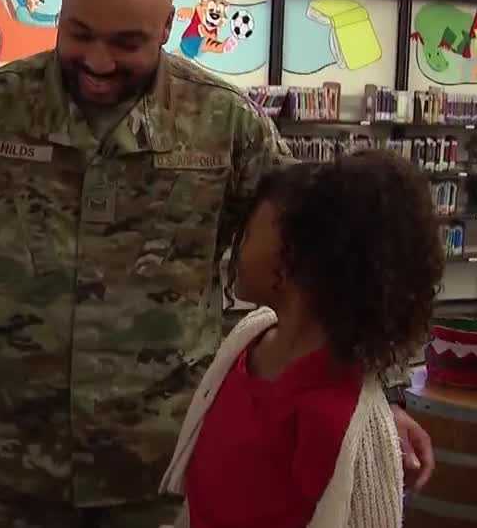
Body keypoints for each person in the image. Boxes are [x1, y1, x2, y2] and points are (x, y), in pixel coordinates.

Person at [0, 0, 434, 526]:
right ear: (60, 13)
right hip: (8, 467)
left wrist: (373, 398)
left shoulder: (224, 125)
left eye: (126, 42)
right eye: (80, 34)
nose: (99, 62)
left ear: (166, 26)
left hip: (159, 469)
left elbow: (329, 260)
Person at [161, 150, 444, 527]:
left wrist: (376, 409)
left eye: (246, 235)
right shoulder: (249, 338)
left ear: (293, 255)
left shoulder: (338, 418)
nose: (234, 250)